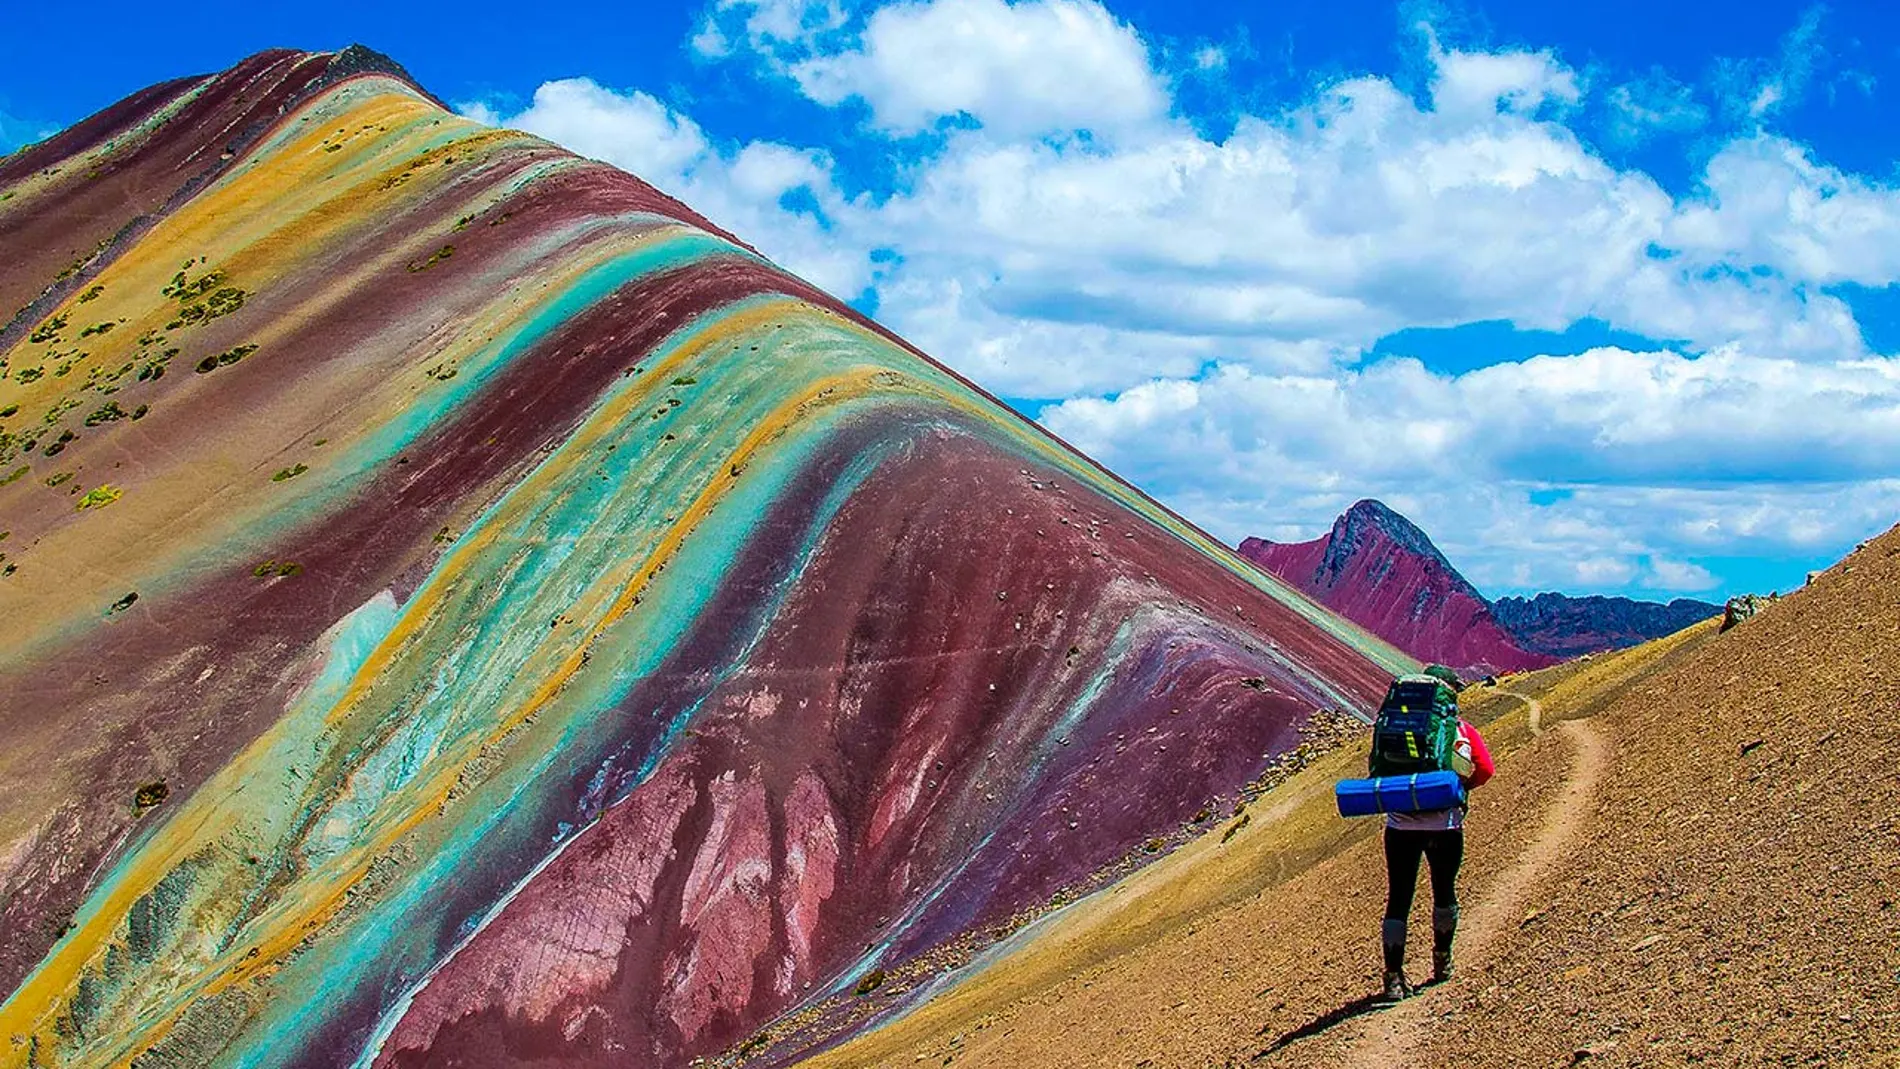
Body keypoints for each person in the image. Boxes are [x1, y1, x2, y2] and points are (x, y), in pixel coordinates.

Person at [1381, 664, 1494, 1000]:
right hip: (1445, 824)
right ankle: (1442, 962)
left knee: (1399, 898)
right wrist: (1458, 791)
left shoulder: (1396, 724)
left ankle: (1392, 977)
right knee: (1444, 891)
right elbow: (1485, 769)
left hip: (1400, 825)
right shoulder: (1460, 730)